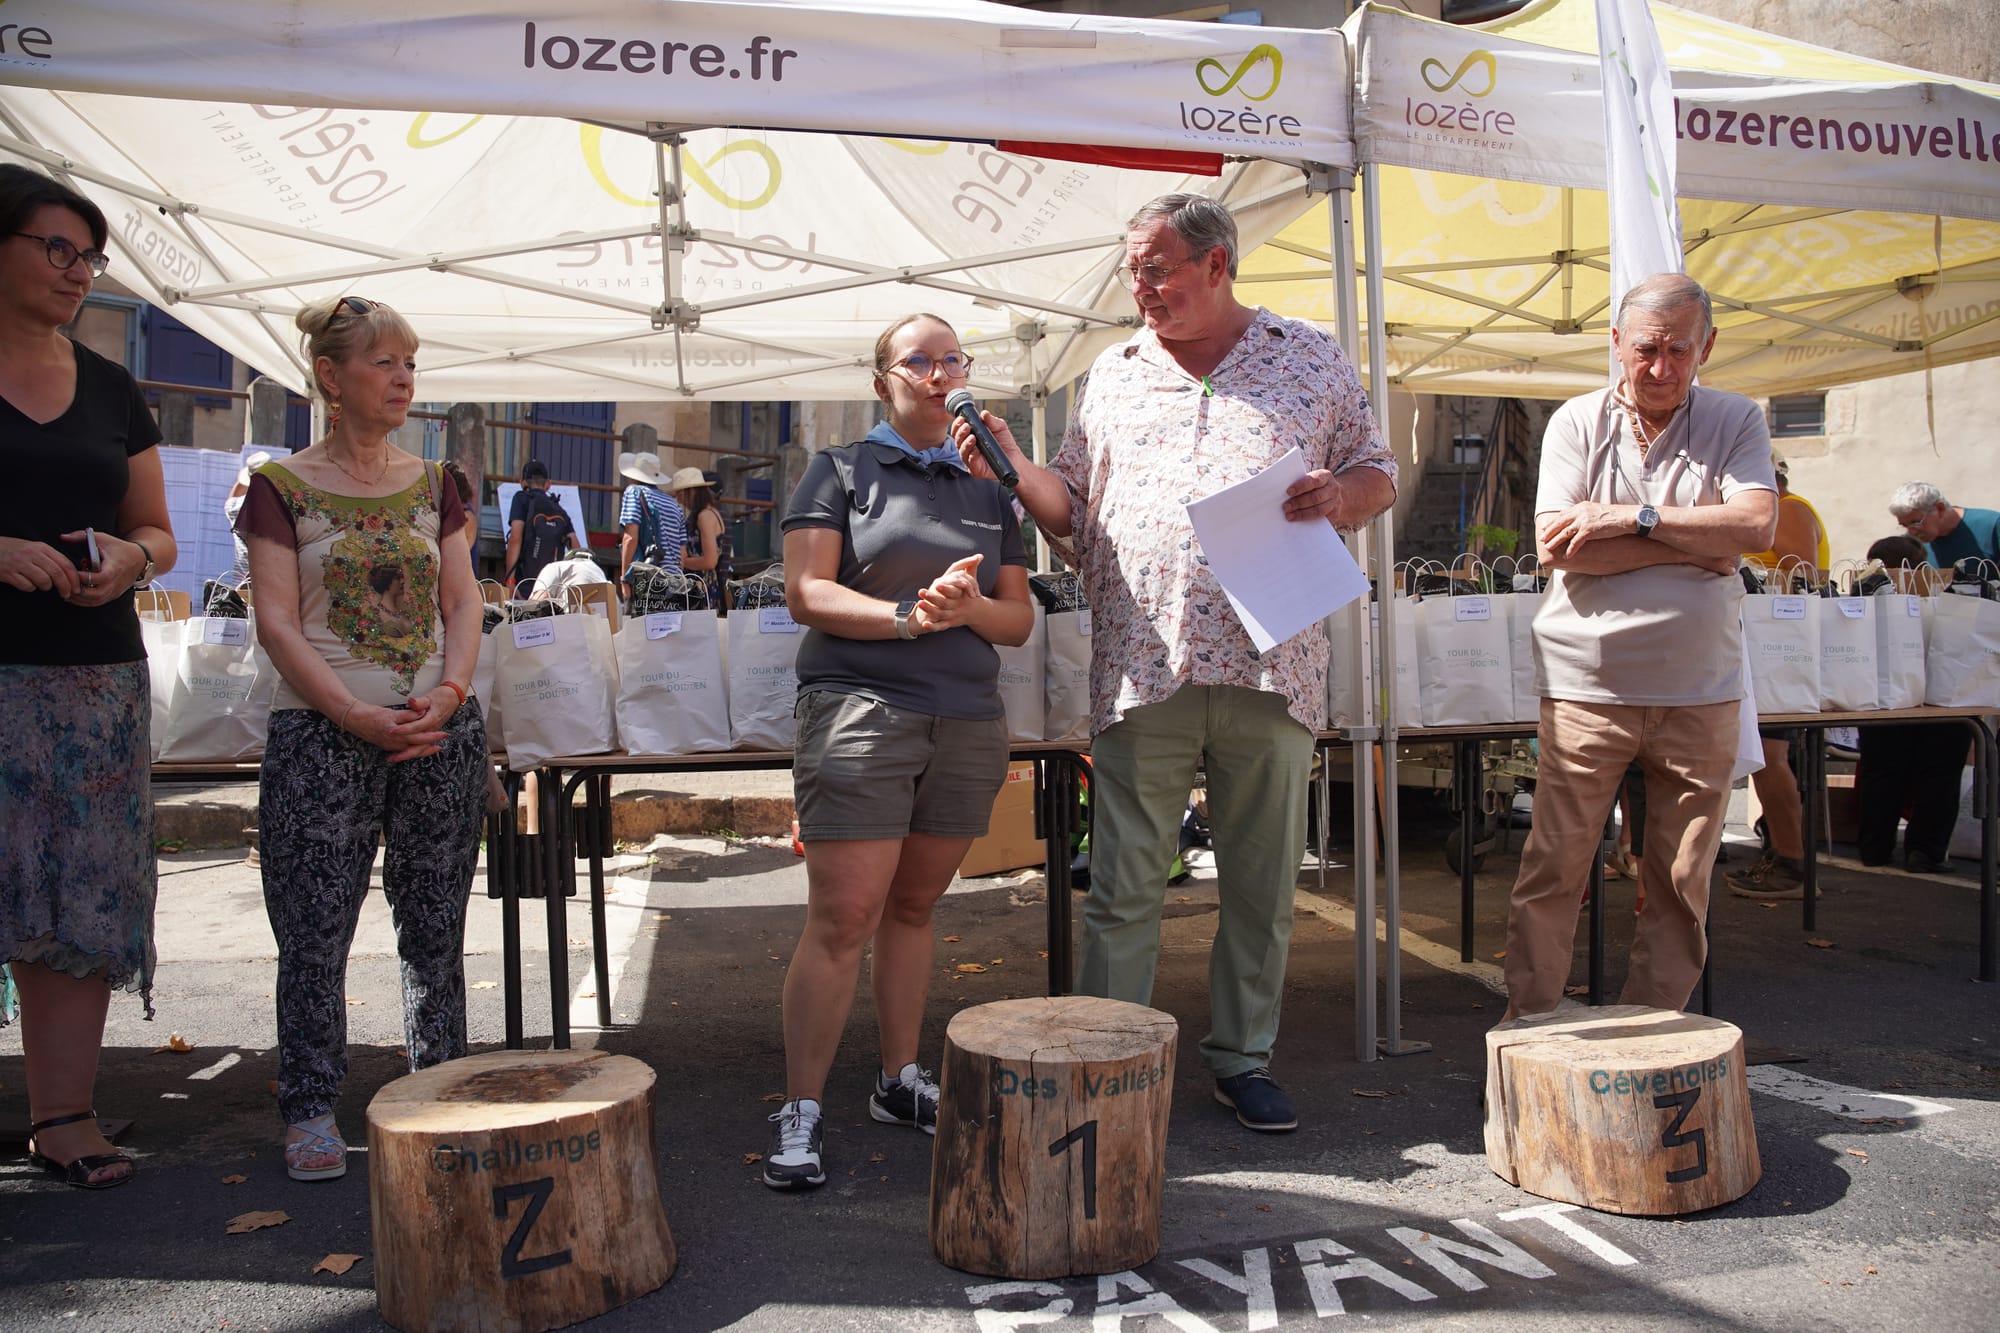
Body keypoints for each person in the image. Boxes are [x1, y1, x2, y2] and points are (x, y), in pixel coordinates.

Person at [953, 194, 1396, 1132]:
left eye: (1156, 268)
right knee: (1121, 885)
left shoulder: (1308, 353)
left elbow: (1378, 468)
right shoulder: (1109, 374)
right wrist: (1012, 468)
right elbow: (1069, 503)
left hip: (1274, 659)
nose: (1140, 286)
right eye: (1134, 270)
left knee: (1260, 881)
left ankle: (1243, 1057)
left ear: (1218, 266)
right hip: (1141, 663)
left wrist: (1341, 494)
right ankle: (1110, 1058)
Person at [763, 313, 1034, 1190]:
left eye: (951, 358)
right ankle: (800, 1107)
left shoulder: (995, 486)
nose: (938, 371)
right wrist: (907, 618)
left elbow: (1017, 618)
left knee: (914, 908)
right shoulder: (841, 468)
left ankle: (897, 1079)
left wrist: (963, 610)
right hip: (860, 707)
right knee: (845, 916)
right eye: (917, 359)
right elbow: (806, 592)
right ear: (882, 380)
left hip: (964, 713)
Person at [236, 295, 488, 1182]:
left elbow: (464, 601)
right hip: (322, 739)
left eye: (410, 362)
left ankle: (439, 1086)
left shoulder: (435, 485)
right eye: (384, 362)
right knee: (313, 931)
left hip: (436, 734)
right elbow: (277, 623)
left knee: (434, 926)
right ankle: (309, 1103)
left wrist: (450, 695)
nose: (404, 378)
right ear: (332, 378)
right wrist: (352, 714)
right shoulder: (281, 487)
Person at [1502, 272, 1777, 1019]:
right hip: (1587, 687)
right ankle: (1527, 1031)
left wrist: (1632, 519)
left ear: (1707, 347)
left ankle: (1651, 1035)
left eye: (1679, 351)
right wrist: (1699, 542)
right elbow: (1560, 548)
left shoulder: (1736, 419)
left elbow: (1754, 530)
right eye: (1647, 349)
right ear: (1616, 343)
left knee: (1682, 877)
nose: (1662, 368)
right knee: (1555, 866)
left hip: (1702, 687)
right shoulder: (1575, 422)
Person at [0, 163, 178, 1189]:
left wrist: (129, 558)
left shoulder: (112, 387)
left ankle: (64, 1117)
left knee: (85, 895)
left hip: (94, 676)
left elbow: (153, 528)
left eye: (89, 255)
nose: (76, 270)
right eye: (54, 247)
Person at [1728, 455, 1830, 901]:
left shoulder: (1787, 509)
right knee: (1765, 755)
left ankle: (1791, 862)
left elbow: (1801, 574)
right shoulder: (1772, 511)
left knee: (1770, 754)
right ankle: (1784, 855)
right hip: (1759, 646)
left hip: (1776, 647)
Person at [1855, 533, 1969, 874]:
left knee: (1880, 772)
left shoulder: (1861, 595)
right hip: (1938, 699)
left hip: (1882, 698)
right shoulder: (1946, 597)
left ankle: (1874, 848)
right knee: (1941, 774)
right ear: (1922, 565)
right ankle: (1925, 850)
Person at [616, 450, 686, 612]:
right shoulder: (674, 504)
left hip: (647, 580)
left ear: (634, 475)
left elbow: (630, 538)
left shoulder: (633, 492)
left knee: (640, 634)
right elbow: (683, 553)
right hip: (675, 582)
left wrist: (625, 579)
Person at [503, 457, 579, 594]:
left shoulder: (521, 499)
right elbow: (576, 547)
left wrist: (510, 581)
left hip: (524, 583)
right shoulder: (558, 509)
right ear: (548, 485)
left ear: (522, 483)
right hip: (552, 586)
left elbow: (515, 538)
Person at [1888, 481, 2000, 573]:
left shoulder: (1992, 524)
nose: (1912, 532)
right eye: (1905, 526)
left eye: (1916, 523)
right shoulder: (1911, 545)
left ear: (1940, 508)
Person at [667, 465, 727, 608]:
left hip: (701, 586)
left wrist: (683, 562)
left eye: (681, 495)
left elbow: (710, 561)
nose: (680, 501)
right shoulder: (710, 513)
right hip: (700, 584)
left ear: (692, 491)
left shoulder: (705, 516)